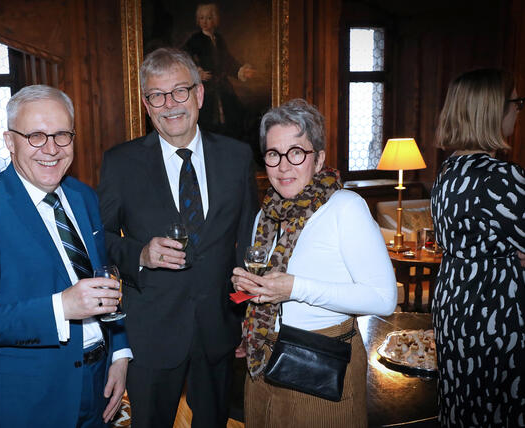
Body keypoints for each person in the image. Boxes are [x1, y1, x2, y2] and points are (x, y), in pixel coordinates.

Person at [0, 84, 131, 427]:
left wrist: (120, 354)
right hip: (35, 399)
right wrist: (60, 307)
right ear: (9, 141)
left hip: (99, 380)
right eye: (35, 136)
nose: (51, 149)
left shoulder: (84, 196)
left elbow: (106, 280)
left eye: (62, 135)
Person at [98, 47, 257, 427]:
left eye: (179, 91)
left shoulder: (236, 157)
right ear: (146, 104)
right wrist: (140, 254)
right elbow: (97, 238)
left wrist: (243, 313)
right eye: (157, 95)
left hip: (219, 329)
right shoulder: (121, 163)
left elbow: (249, 246)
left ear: (199, 94)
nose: (170, 104)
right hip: (152, 332)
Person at [231, 99, 397, 427]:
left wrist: (294, 288)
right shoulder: (266, 214)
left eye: (296, 152)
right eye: (273, 154)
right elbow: (269, 287)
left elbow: (384, 298)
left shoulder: (345, 208)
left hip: (322, 368)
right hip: (263, 362)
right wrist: (250, 288)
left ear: (318, 158)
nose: (283, 166)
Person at [431, 69, 524, 427]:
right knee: (500, 407)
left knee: (464, 404)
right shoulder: (500, 177)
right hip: (494, 310)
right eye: (515, 102)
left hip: (456, 301)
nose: (518, 110)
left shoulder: (450, 171)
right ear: (492, 110)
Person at [183, 3, 256, 138]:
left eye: (209, 18)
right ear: (198, 20)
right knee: (207, 121)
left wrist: (241, 70)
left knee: (233, 118)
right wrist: (197, 72)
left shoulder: (219, 39)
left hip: (222, 85)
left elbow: (227, 60)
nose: (205, 22)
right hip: (206, 87)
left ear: (215, 20)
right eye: (201, 18)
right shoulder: (195, 39)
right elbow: (184, 57)